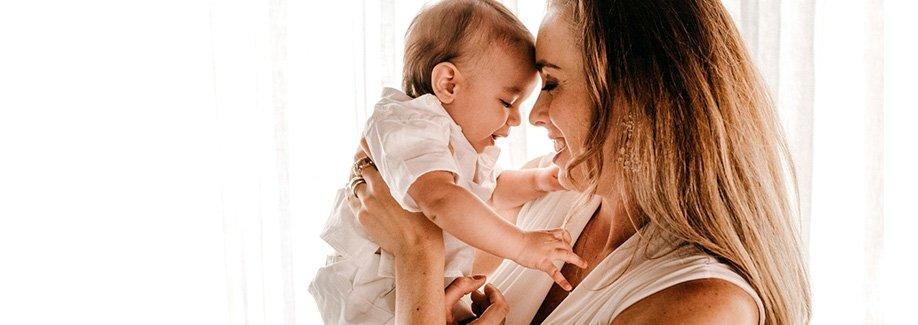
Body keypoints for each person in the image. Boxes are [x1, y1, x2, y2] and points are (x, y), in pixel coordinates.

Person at [347, 0, 812, 324]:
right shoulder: (547, 202)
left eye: (550, 84)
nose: (533, 115)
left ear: (634, 100)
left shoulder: (702, 306)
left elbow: (423, 258)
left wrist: (417, 249)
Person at [309, 1, 587, 324]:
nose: (516, 119)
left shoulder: (453, 144)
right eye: (508, 102)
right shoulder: (408, 123)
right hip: (374, 303)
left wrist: (541, 180)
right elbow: (442, 200)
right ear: (448, 84)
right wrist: (523, 246)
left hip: (414, 296)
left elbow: (490, 192)